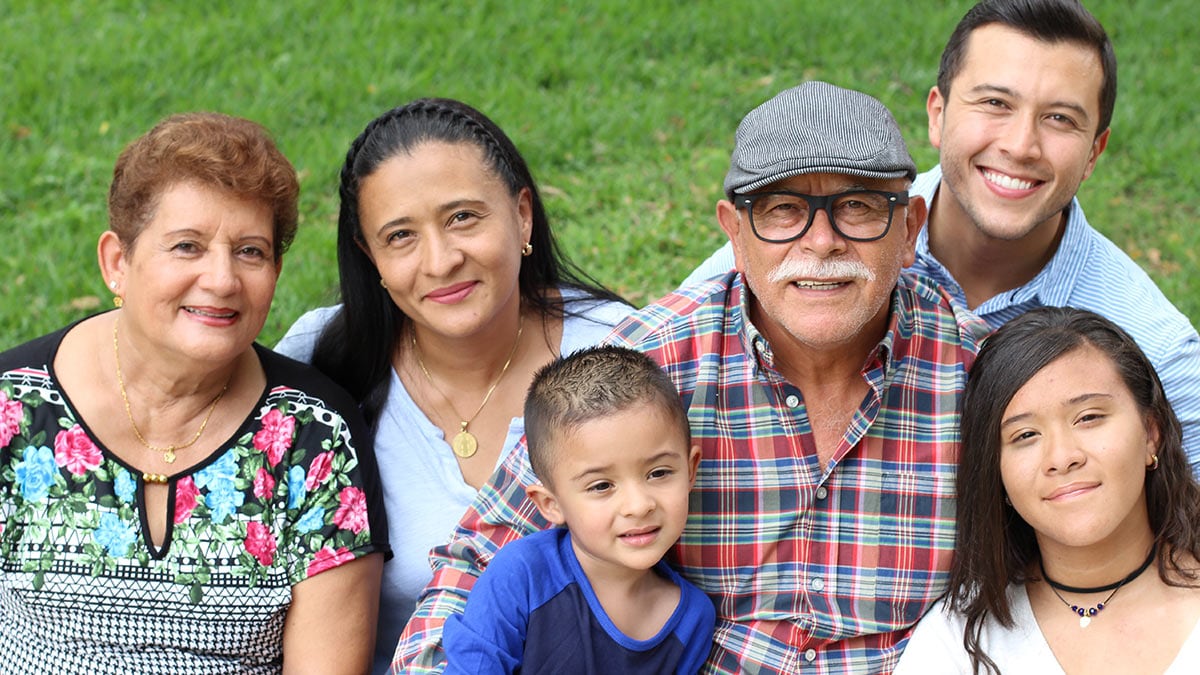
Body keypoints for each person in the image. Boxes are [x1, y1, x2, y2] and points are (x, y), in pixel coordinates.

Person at [397, 81, 987, 673]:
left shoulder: (982, 378)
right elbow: (474, 567)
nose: (822, 241)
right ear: (734, 232)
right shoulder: (650, 362)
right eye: (783, 210)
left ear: (910, 228)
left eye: (857, 207)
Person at [680, 0, 1200, 468]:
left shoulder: (1157, 348)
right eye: (995, 103)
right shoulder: (814, 241)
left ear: (1094, 152)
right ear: (937, 113)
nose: (1021, 145)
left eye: (1060, 118)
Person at [0, 112, 388, 673]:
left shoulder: (313, 436)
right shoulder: (14, 407)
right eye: (187, 246)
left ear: (276, 272)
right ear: (118, 261)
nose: (222, 279)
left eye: (250, 251)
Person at [273, 98, 632, 673]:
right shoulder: (320, 360)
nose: (440, 261)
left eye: (463, 217)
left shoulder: (623, 354)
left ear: (522, 216)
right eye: (400, 237)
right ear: (370, 257)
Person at [894, 307, 1200, 674]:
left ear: (1151, 433)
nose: (1061, 458)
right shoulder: (958, 642)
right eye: (1025, 436)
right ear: (997, 472)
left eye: (1088, 418)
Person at [441, 345, 714, 673]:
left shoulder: (692, 620)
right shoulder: (522, 576)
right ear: (551, 504)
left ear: (690, 469)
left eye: (658, 473)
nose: (639, 505)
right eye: (602, 486)